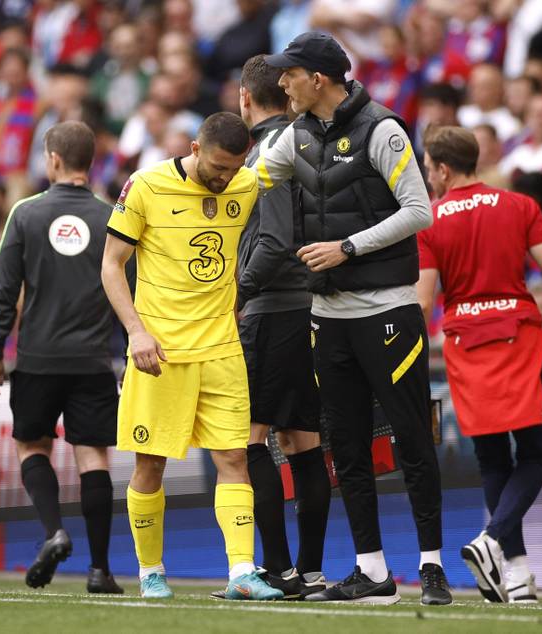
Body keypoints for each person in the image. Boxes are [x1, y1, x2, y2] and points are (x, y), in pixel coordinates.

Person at [257, 31, 452, 606]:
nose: (281, 83)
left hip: (388, 310)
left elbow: (419, 214)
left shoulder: (383, 129)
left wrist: (345, 247)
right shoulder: (295, 136)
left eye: (288, 74)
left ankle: (432, 567)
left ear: (317, 79)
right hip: (327, 314)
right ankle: (373, 572)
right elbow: (253, 182)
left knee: (413, 438)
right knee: (346, 447)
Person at [100, 112, 283, 602]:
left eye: (234, 168)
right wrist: (136, 331)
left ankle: (242, 571)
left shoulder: (247, 184)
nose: (226, 178)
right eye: (218, 167)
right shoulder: (145, 185)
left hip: (222, 347)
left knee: (233, 457)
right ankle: (150, 572)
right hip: (159, 351)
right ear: (195, 148)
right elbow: (111, 266)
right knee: (151, 465)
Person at [417, 126, 542, 604]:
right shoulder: (519, 206)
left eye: (428, 167)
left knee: (493, 459)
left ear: (442, 168)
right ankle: (496, 543)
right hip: (519, 336)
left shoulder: (430, 220)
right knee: (535, 455)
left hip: (465, 344)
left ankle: (516, 573)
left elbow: (421, 304)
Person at [0, 121, 123, 595]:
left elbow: (4, 289)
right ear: (91, 161)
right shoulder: (112, 217)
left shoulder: (25, 213)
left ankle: (53, 532)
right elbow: (129, 288)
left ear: (53, 159)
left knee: (33, 447)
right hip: (92, 359)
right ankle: (101, 570)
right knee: (93, 456)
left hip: (39, 357)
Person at [235, 55, 331, 599]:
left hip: (272, 310)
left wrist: (237, 292)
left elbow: (271, 243)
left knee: (249, 438)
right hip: (313, 309)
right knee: (303, 442)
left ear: (245, 99)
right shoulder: (312, 143)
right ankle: (312, 570)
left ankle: (278, 570)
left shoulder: (269, 154)